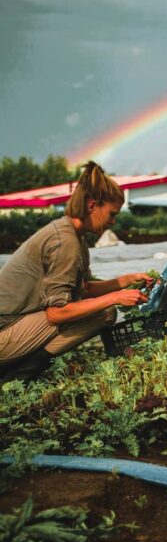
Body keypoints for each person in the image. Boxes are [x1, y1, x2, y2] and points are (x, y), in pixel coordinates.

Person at [0, 162, 152, 381]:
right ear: (92, 206)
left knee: (105, 309)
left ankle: (20, 368)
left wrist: (127, 280)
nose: (113, 221)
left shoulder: (73, 234)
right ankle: (19, 374)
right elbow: (56, 314)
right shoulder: (65, 242)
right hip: (5, 330)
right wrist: (115, 297)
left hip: (16, 326)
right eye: (111, 214)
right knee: (103, 312)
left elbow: (85, 289)